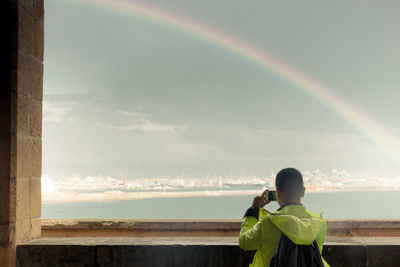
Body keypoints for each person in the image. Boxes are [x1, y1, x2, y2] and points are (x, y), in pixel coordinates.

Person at [239, 168, 330, 267]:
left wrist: (254, 210)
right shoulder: (319, 223)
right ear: (303, 191)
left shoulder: (269, 221)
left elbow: (244, 243)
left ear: (278, 192)